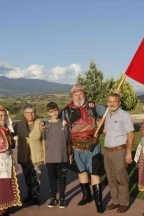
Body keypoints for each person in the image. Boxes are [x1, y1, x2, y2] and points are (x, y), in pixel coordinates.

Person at [61, 84, 107, 213]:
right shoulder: (66, 110)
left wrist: (102, 129)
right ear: (72, 96)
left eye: (80, 93)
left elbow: (109, 113)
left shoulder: (94, 106)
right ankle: (86, 196)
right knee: (81, 172)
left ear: (84, 94)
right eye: (75, 94)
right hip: (76, 147)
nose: (78, 96)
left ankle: (99, 202)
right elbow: (60, 126)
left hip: (93, 145)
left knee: (95, 173)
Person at [103, 93, 135, 213]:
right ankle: (115, 200)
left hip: (119, 151)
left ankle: (124, 202)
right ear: (107, 103)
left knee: (121, 178)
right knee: (111, 178)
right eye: (109, 101)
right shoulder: (107, 115)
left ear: (119, 103)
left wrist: (128, 153)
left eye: (114, 101)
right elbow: (106, 130)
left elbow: (131, 134)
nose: (112, 104)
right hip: (107, 151)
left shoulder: (124, 115)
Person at [42, 102, 72, 209]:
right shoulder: (45, 125)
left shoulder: (64, 123)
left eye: (55, 111)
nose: (54, 113)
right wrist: (44, 156)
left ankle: (62, 198)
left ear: (58, 111)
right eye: (51, 111)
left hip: (62, 156)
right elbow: (44, 142)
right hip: (50, 157)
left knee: (62, 178)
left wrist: (70, 154)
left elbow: (69, 140)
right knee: (52, 178)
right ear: (48, 113)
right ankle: (53, 198)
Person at [13, 104, 44, 206]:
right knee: (27, 177)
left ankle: (35, 197)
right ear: (24, 114)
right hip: (24, 156)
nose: (31, 114)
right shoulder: (18, 125)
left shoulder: (40, 123)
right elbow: (8, 133)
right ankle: (29, 194)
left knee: (37, 177)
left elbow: (46, 137)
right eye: (28, 112)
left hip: (37, 156)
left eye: (33, 112)